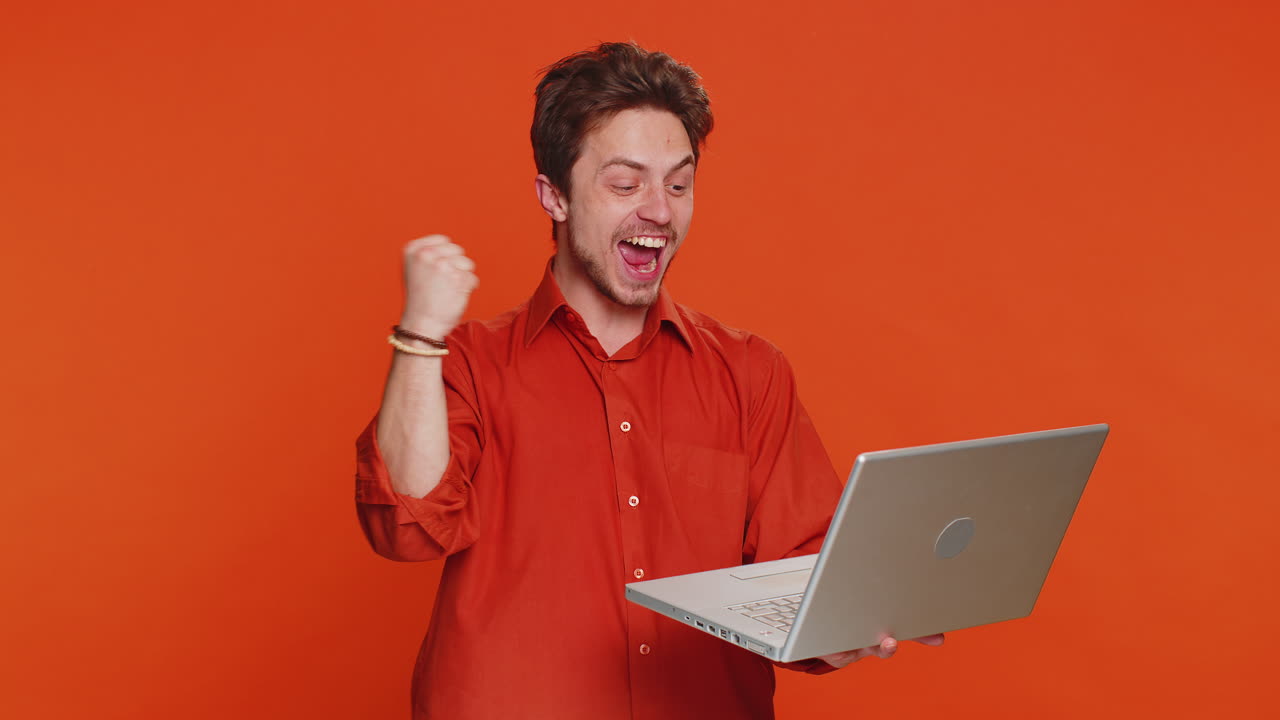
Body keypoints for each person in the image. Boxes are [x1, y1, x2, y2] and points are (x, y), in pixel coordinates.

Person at [355, 42, 942, 720]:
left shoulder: (750, 374)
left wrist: (846, 622)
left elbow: (802, 567)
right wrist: (421, 335)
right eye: (626, 184)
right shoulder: (468, 362)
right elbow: (406, 526)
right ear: (555, 196)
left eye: (678, 183)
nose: (658, 212)